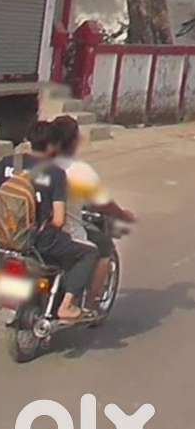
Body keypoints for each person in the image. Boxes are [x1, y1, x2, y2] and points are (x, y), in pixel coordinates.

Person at [0, 120, 97, 321]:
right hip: (39, 241)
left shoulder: (9, 162)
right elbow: (58, 220)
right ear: (52, 146)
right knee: (89, 253)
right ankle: (66, 306)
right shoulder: (55, 173)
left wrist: (5, 222)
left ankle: (12, 296)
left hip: (7, 238)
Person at [51, 115, 136, 309]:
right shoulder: (78, 170)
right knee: (104, 247)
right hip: (67, 233)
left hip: (32, 232)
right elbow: (102, 203)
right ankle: (90, 304)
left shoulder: (34, 164)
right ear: (74, 141)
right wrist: (123, 214)